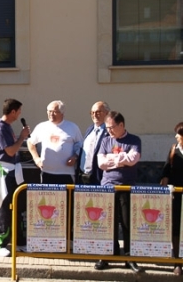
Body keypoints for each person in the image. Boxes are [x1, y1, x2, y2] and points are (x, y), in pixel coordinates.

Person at [95, 111, 144, 273]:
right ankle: (109, 254)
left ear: (121, 125)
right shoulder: (105, 141)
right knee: (108, 222)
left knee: (126, 222)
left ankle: (129, 257)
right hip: (107, 186)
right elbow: (101, 163)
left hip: (126, 187)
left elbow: (133, 160)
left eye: (111, 127)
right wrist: (121, 159)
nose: (108, 130)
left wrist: (113, 159)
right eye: (107, 127)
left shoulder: (134, 140)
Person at [0, 98, 30, 257]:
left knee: (17, 207)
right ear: (13, 111)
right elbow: (10, 151)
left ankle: (18, 241)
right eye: (19, 111)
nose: (20, 114)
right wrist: (22, 137)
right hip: (3, 172)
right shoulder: (0, 127)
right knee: (4, 208)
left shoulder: (7, 127)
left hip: (13, 171)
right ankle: (0, 244)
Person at [27, 100, 83, 184]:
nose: (51, 114)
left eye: (55, 112)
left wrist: (75, 157)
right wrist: (36, 159)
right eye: (49, 111)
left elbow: (81, 145)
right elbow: (30, 142)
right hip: (47, 172)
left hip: (66, 173)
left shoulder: (72, 127)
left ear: (62, 113)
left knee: (67, 197)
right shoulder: (42, 126)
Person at [160, 122, 183, 275]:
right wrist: (165, 179)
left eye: (179, 134)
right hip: (177, 195)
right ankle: (177, 262)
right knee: (176, 229)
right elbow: (166, 170)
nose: (176, 136)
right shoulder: (174, 149)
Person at [76, 101, 110, 185]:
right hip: (83, 175)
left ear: (107, 113)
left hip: (99, 176)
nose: (94, 115)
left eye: (98, 112)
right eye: (92, 112)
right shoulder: (90, 129)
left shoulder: (110, 131)